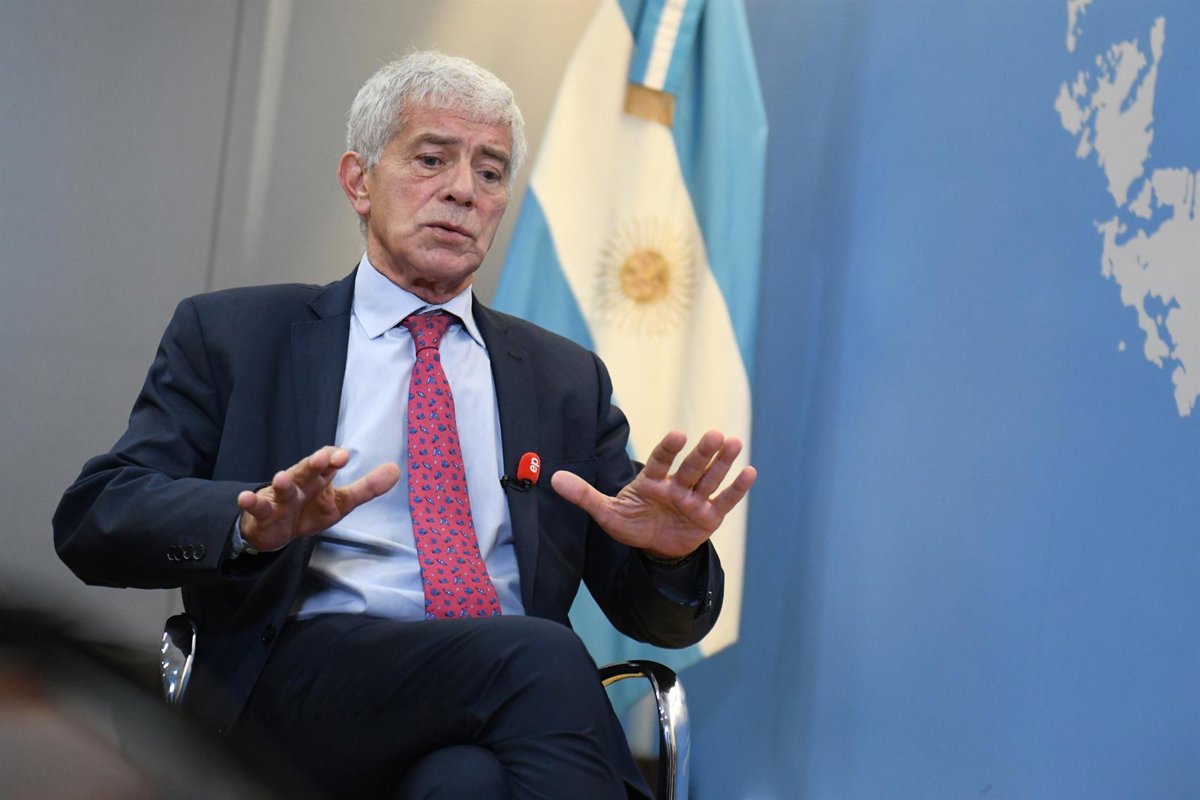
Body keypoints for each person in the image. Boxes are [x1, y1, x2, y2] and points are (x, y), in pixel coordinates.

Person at [53, 50, 756, 799]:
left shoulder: (562, 379)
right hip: (303, 686)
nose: (463, 190)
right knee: (542, 656)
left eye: (490, 172)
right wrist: (247, 524)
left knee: (466, 784)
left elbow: (658, 618)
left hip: (495, 701)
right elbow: (97, 518)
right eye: (431, 159)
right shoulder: (237, 336)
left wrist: (670, 557)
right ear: (359, 181)